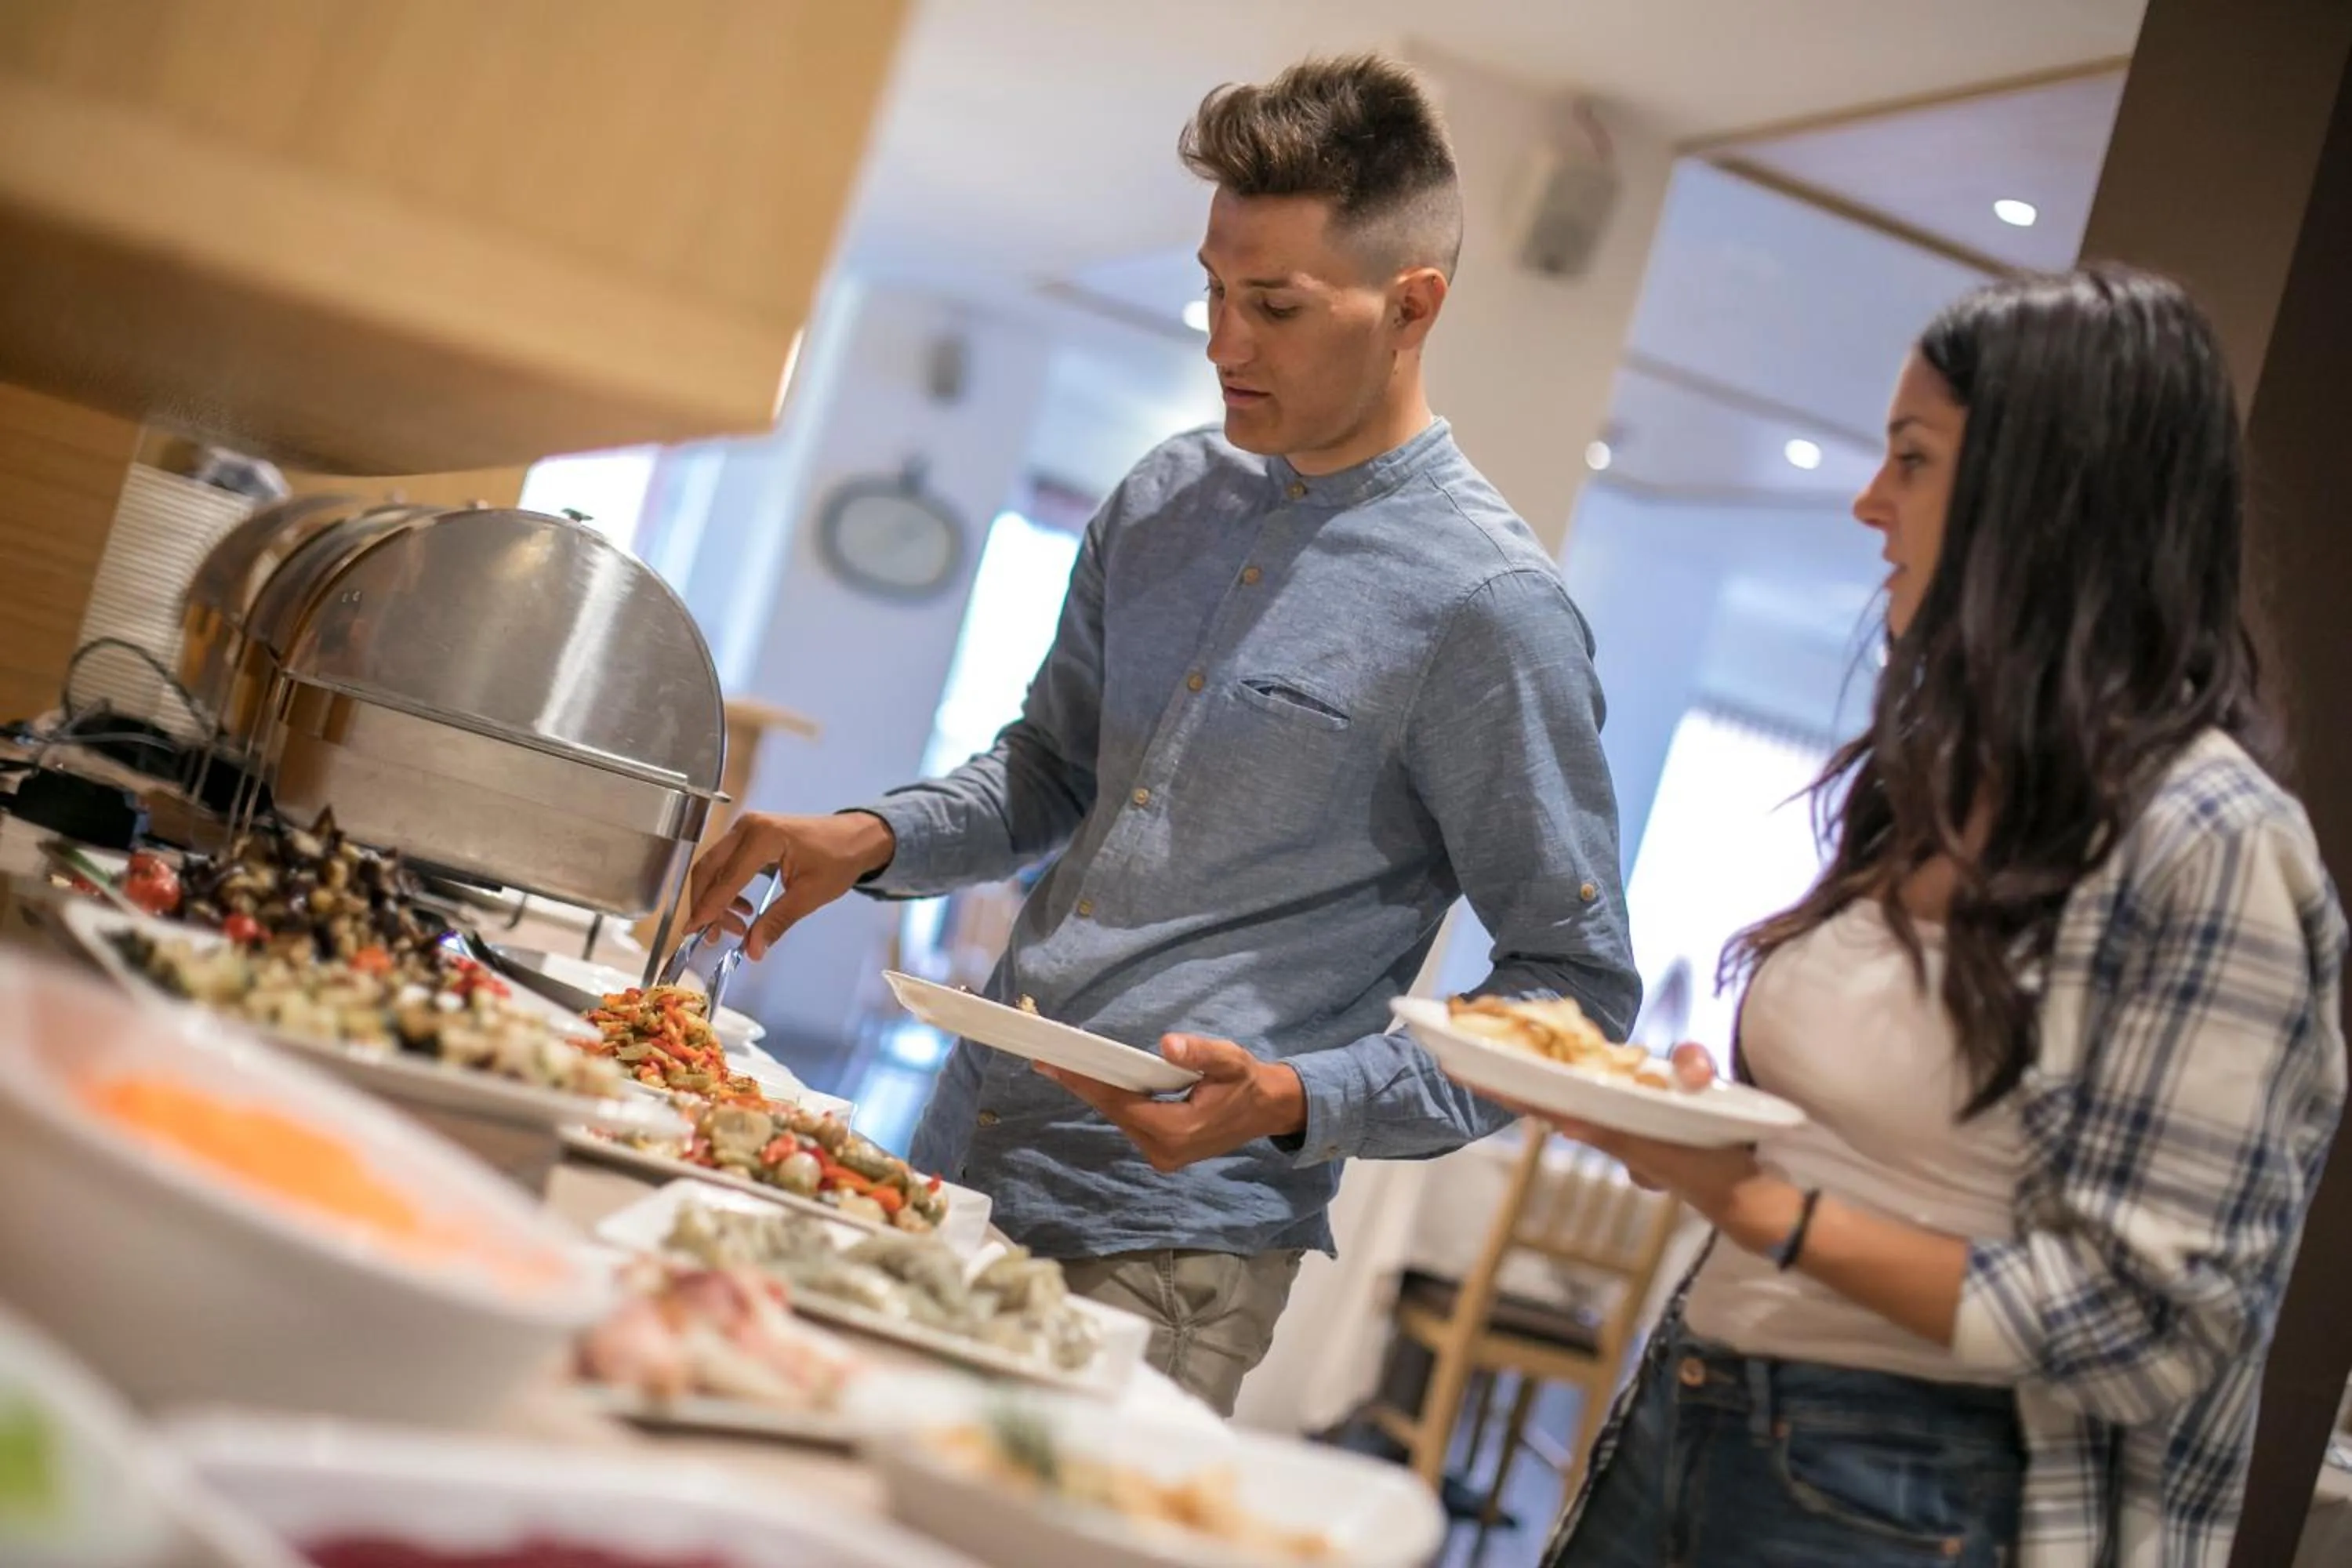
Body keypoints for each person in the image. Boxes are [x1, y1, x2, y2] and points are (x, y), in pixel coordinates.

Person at [684, 53, 1640, 1415]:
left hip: (1172, 1253)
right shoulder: (1166, 495)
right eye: (1214, 290)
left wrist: (1304, 1095)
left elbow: (1575, 992)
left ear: (1413, 305)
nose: (1223, 343)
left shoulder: (1489, 609)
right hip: (960, 1149)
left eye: (1275, 306)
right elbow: (1049, 772)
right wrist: (872, 837)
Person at [1528, 267, 2346, 1567]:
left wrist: (1762, 1207)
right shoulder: (1945, 776)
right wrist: (1704, 1138)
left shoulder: (2213, 841)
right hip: (1699, 1402)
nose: (1870, 501)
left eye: (1912, 458)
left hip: (1918, 1491)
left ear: (2049, 498)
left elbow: (2158, 1320)